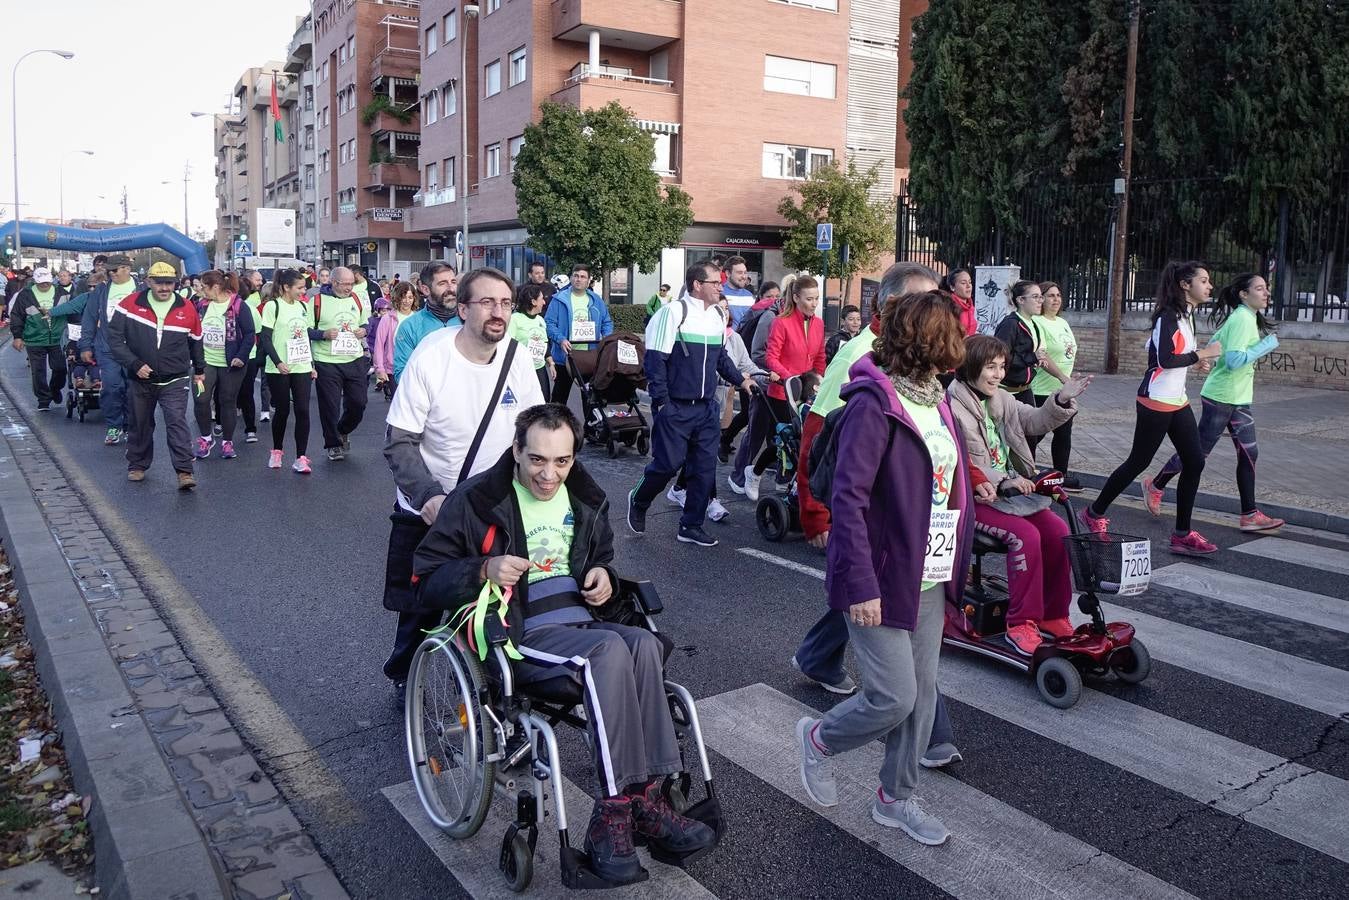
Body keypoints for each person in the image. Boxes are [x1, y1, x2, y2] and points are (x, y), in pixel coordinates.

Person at [413, 403, 716, 883]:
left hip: (581, 616)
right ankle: (613, 812)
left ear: (574, 456)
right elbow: (424, 579)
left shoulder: (586, 496)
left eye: (561, 461)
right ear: (516, 450)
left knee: (641, 644)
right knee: (611, 653)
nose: (549, 474)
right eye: (536, 460)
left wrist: (603, 575)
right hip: (518, 626)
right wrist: (483, 569)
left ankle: (645, 797)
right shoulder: (476, 500)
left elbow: (602, 558)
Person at [795, 289, 973, 847]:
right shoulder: (876, 405)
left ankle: (895, 798)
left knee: (922, 697)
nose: (961, 342)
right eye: (954, 333)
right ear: (931, 341)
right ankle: (820, 739)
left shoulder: (938, 399)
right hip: (881, 573)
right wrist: (859, 583)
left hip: (931, 572)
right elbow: (848, 501)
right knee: (893, 696)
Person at [381, 266, 545, 702]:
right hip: (435, 500)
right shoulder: (432, 357)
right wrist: (429, 496)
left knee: (496, 594)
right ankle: (405, 674)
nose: (498, 312)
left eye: (506, 303)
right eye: (487, 302)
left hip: (493, 503)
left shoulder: (517, 357)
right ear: (464, 307)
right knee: (421, 603)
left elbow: (537, 430)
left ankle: (484, 681)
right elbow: (399, 442)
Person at [948, 334, 1092, 655]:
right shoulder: (953, 407)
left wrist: (1061, 399)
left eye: (1001, 367)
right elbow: (964, 463)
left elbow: (1035, 420)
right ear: (970, 366)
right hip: (976, 497)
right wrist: (1004, 480)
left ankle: (1053, 615)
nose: (998, 374)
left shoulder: (1001, 399)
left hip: (1012, 493)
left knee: (1058, 531)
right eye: (990, 367)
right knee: (1025, 536)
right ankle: (1021, 623)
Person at [1081, 260, 1223, 555]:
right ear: (1185, 285)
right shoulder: (1167, 316)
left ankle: (1182, 534)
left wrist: (1198, 360)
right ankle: (1094, 513)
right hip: (1155, 401)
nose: (1209, 286)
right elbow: (1164, 360)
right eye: (1204, 280)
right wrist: (1202, 353)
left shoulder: (1188, 316)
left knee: (1194, 462)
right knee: (1138, 462)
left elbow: (1178, 355)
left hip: (1177, 400)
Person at [627, 261, 756, 548]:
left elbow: (720, 358)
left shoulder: (716, 316)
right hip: (677, 408)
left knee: (704, 468)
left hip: (706, 408)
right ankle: (639, 498)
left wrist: (741, 379)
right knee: (667, 465)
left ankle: (691, 525)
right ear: (697, 285)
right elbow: (655, 361)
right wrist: (663, 403)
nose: (719, 287)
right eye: (715, 283)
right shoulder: (673, 313)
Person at [1144, 273, 1284, 533]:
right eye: (1260, 288)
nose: (1266, 293)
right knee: (1197, 455)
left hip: (1237, 397)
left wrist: (1211, 357)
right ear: (1244, 294)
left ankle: (1249, 514)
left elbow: (1219, 347)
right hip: (1222, 397)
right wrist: (1266, 346)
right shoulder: (1242, 318)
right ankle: (1156, 485)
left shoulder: (1246, 317)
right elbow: (1233, 361)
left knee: (1249, 453)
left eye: (1267, 289)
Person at [104, 261, 205, 490]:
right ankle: (137, 465)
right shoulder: (129, 304)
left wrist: (199, 370)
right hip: (140, 378)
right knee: (140, 424)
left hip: (175, 378)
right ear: (148, 282)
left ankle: (184, 471)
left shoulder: (187, 307)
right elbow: (114, 339)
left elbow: (196, 342)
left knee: (176, 422)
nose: (164, 288)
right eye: (159, 283)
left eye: (169, 283)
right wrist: (134, 363)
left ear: (175, 284)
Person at [743, 275, 826, 502]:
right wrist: (791, 379)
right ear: (797, 297)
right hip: (783, 390)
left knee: (806, 440)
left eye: (816, 299)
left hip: (809, 391)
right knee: (786, 439)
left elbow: (819, 356)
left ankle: (792, 483)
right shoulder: (781, 321)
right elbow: (771, 357)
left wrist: (819, 380)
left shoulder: (818, 324)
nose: (814, 303)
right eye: (809, 299)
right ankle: (755, 472)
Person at [192, 271, 255, 460]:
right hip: (206, 362)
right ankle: (206, 438)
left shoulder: (238, 306)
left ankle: (227, 442)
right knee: (201, 399)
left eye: (204, 286)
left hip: (230, 364)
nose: (200, 290)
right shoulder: (201, 305)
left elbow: (250, 334)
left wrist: (241, 356)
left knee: (227, 401)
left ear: (216, 287)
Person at [1026, 281, 1082, 490]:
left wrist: (1069, 378)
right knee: (1035, 434)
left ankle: (1061, 474)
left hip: (1063, 389)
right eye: (1050, 295)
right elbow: (1043, 354)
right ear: (1040, 299)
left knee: (1063, 434)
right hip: (1042, 389)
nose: (1055, 299)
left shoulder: (1062, 322)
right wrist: (1062, 377)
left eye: (1058, 295)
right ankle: (1024, 470)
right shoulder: (1037, 323)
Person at [258, 269, 315, 473]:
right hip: (279, 367)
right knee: (282, 410)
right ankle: (277, 450)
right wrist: (278, 361)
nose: (303, 291)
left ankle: (301, 457)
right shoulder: (272, 306)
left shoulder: (303, 306)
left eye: (304, 287)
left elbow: (305, 336)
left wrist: (312, 364)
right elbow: (265, 337)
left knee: (303, 410)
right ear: (286, 287)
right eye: (299, 288)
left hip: (301, 365)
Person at [309, 266, 368, 461]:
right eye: (346, 284)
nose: (350, 288)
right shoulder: (316, 301)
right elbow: (305, 329)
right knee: (330, 406)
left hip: (354, 358)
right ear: (334, 283)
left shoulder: (357, 299)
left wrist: (364, 331)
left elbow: (365, 323)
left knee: (359, 403)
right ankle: (333, 444)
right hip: (327, 361)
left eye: (352, 283)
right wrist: (323, 334)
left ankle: (343, 429)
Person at [79, 254, 139, 445]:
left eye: (115, 270)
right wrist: (85, 345)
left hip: (134, 349)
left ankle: (131, 426)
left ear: (126, 269)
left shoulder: (142, 289)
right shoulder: (102, 291)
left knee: (133, 390)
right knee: (112, 388)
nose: (111, 274)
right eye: (109, 271)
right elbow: (89, 318)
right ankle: (114, 425)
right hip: (107, 347)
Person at [545, 264, 613, 406]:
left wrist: (606, 338)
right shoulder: (558, 299)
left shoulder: (596, 300)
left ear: (588, 281)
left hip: (589, 357)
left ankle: (589, 428)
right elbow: (549, 324)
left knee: (589, 399)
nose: (578, 279)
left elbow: (607, 322)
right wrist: (561, 339)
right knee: (559, 398)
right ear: (571, 278)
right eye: (575, 276)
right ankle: (555, 426)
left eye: (582, 277)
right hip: (565, 357)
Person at [994, 280, 1065, 404]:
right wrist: (1032, 357)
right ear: (1021, 300)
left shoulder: (1033, 324)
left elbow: (1032, 351)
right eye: (1035, 297)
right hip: (1006, 391)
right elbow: (1001, 358)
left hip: (1025, 390)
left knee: (1031, 422)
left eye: (1041, 297)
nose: (1040, 301)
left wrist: (1038, 358)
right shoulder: (1010, 324)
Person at [9, 267, 70, 410]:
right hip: (34, 338)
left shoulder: (62, 293)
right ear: (35, 281)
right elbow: (17, 316)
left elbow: (72, 311)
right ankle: (43, 398)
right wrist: (17, 336)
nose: (44, 285)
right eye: (41, 283)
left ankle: (54, 389)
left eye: (47, 282)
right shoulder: (25, 295)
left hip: (57, 338)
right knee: (38, 371)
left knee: (60, 368)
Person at [392, 262, 459, 382]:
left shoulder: (470, 320)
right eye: (442, 283)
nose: (451, 289)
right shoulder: (409, 327)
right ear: (425, 289)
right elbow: (402, 375)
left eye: (453, 282)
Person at [234, 269, 268, 439]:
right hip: (226, 357)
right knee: (233, 393)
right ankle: (223, 423)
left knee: (246, 392)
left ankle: (250, 428)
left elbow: (258, 334)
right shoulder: (220, 307)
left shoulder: (250, 309)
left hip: (249, 356)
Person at [510, 281, 554, 396]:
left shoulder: (540, 320)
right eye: (541, 299)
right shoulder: (514, 319)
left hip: (539, 368)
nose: (544, 302)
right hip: (521, 369)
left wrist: (551, 362)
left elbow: (544, 343)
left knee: (544, 400)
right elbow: (508, 345)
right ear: (533, 302)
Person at [373, 281, 418, 388]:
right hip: (394, 369)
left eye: (410, 297)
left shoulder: (419, 318)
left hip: (415, 369)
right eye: (403, 297)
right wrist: (380, 368)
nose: (407, 301)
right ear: (397, 298)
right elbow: (379, 345)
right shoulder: (387, 319)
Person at [721, 255, 755, 326]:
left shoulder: (749, 296)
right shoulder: (719, 293)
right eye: (739, 273)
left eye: (745, 272)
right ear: (728, 273)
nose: (744, 276)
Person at [944, 267, 978, 336]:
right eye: (963, 283)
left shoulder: (972, 308)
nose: (968, 286)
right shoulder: (948, 307)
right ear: (952, 287)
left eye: (970, 282)